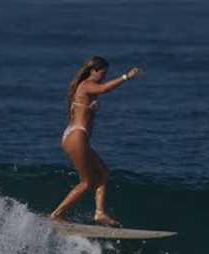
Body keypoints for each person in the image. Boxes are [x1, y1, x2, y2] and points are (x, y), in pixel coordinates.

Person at [49, 56, 140, 226]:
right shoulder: (86, 85)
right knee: (87, 182)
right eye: (103, 73)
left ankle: (99, 213)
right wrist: (126, 77)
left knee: (103, 172)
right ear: (93, 71)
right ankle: (56, 215)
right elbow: (104, 89)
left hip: (77, 135)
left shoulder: (84, 87)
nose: (104, 77)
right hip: (77, 135)